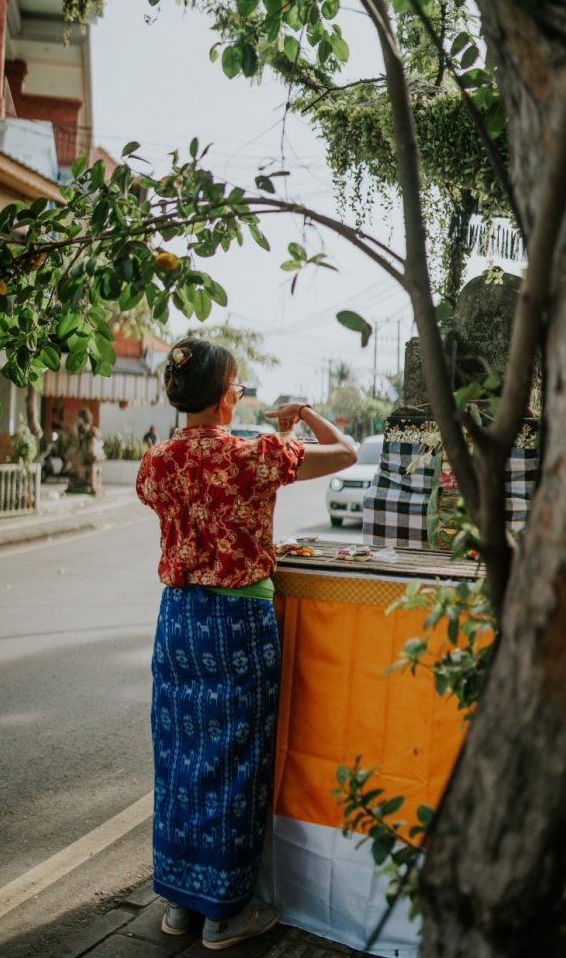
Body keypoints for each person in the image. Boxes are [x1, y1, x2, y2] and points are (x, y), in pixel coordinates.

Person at [136, 337, 356, 948]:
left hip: (178, 623)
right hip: (238, 625)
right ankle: (225, 914)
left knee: (180, 757)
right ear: (220, 394)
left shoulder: (156, 462)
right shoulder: (254, 455)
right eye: (235, 383)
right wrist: (304, 415)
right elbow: (347, 452)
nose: (239, 392)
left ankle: (181, 903)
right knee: (235, 761)